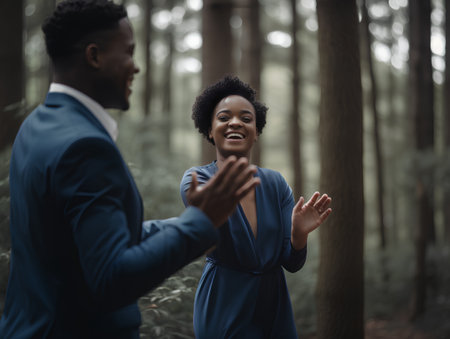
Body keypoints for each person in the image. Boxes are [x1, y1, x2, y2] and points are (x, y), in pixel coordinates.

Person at [0, 2, 260, 338]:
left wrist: (180, 223)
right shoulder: (85, 148)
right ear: (94, 56)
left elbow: (81, 241)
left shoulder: (37, 124)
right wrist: (201, 224)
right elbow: (112, 278)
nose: (135, 68)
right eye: (129, 52)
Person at [180, 76, 332, 338]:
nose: (236, 122)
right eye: (224, 117)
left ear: (257, 131)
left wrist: (299, 234)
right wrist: (202, 213)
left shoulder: (275, 183)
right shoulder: (198, 180)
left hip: (274, 308)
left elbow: (292, 263)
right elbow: (203, 230)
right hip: (224, 303)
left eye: (246, 118)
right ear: (209, 129)